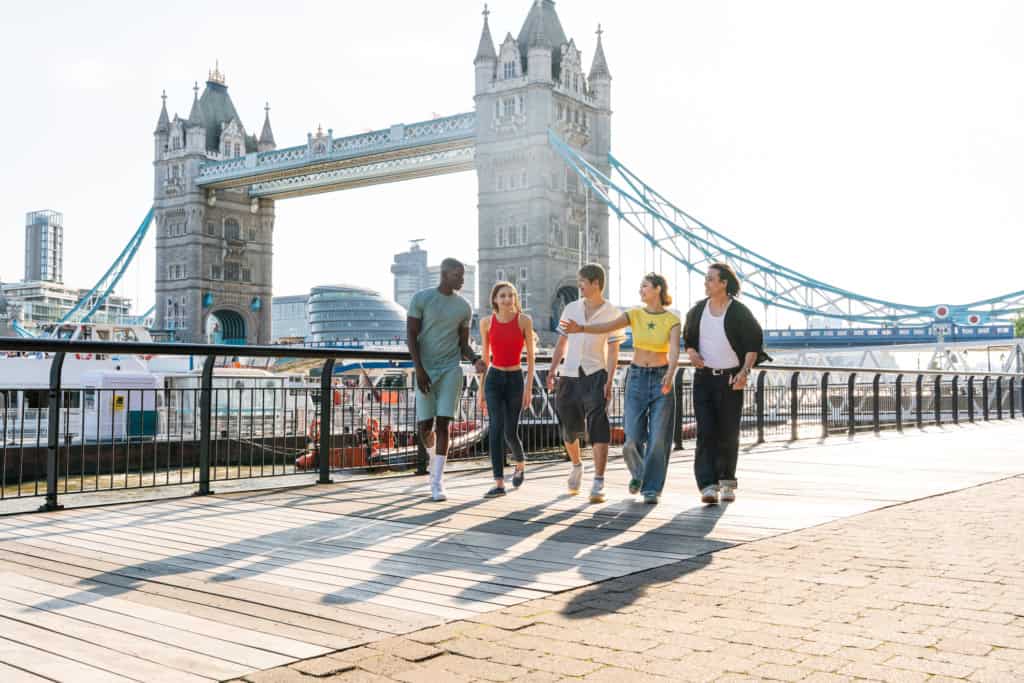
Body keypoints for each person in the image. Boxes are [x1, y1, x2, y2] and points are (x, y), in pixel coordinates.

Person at [561, 273, 680, 504]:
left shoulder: (672, 319)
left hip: (661, 378)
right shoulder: (634, 314)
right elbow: (607, 326)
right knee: (631, 438)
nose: (640, 291)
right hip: (636, 377)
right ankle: (639, 473)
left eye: (644, 286)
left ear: (657, 289)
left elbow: (674, 349)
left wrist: (670, 374)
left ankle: (651, 489)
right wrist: (581, 328)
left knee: (658, 440)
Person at [682, 262, 770, 505]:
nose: (706, 283)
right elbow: (688, 338)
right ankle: (707, 485)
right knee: (706, 431)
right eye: (706, 278)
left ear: (723, 283)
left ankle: (727, 483)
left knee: (728, 433)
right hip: (703, 379)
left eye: (711, 279)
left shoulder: (739, 312)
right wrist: (691, 354)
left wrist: (744, 372)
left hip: (731, 379)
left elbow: (753, 344)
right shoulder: (698, 310)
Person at [407, 258, 487, 501]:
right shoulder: (421, 299)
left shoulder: (464, 307)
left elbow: (463, 344)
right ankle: (435, 461)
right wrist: (419, 369)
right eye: (457, 275)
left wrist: (475, 359)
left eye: (463, 276)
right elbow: (411, 335)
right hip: (425, 369)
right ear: (443, 274)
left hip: (451, 369)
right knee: (425, 427)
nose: (462, 280)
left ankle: (438, 481)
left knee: (444, 424)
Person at [545, 263, 624, 503]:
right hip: (569, 374)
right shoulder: (570, 308)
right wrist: (551, 371)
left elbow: (613, 350)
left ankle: (598, 481)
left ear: (596, 283)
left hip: (595, 373)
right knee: (568, 428)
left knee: (598, 426)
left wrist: (609, 380)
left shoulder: (612, 312)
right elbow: (562, 343)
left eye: (582, 281)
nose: (579, 285)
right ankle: (577, 465)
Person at [478, 281, 536, 497]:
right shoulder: (486, 322)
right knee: (495, 428)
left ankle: (520, 463)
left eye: (511, 295)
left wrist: (529, 387)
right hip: (493, 377)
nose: (507, 299)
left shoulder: (524, 321)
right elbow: (484, 358)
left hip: (514, 379)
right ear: (495, 299)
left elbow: (531, 358)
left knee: (510, 431)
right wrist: (481, 389)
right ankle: (499, 482)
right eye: (502, 296)